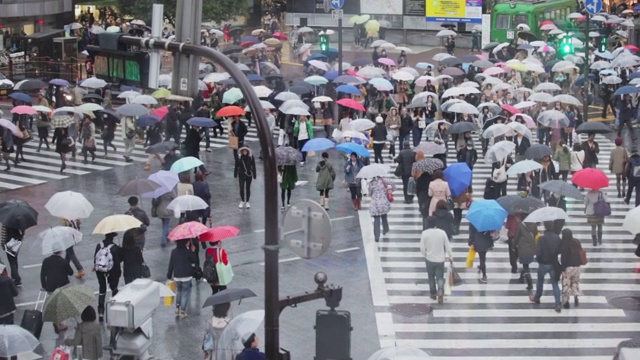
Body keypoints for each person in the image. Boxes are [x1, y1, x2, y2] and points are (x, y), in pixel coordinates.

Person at [530, 221, 562, 313]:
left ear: (545, 227)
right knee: (555, 284)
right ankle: (557, 303)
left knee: (540, 281)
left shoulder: (541, 238)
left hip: (543, 263)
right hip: (553, 263)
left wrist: (539, 260)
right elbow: (559, 250)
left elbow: (538, 252)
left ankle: (537, 297)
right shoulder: (557, 238)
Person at [420, 217, 453, 303]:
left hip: (429, 258)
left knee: (431, 277)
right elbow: (447, 246)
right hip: (440, 259)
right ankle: (440, 291)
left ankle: (433, 293)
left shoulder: (425, 233)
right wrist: (450, 256)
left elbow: (422, 248)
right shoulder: (442, 233)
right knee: (440, 277)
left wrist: (426, 254)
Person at [41, 250, 73, 331]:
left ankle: (57, 322)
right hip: (62, 286)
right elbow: (71, 272)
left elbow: (42, 274)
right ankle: (59, 324)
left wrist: (44, 286)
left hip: (51, 286)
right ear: (61, 251)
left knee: (54, 304)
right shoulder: (63, 261)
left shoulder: (46, 261)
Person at [167, 239, 199, 318]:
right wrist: (193, 251)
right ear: (185, 242)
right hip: (186, 276)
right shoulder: (188, 252)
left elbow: (171, 264)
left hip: (177, 275)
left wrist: (169, 275)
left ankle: (177, 307)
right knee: (185, 293)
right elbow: (195, 260)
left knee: (179, 291)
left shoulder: (174, 252)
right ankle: (183, 311)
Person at [94, 232, 121, 322]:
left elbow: (95, 259)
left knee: (102, 289)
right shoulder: (114, 247)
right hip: (112, 271)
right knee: (114, 289)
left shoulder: (99, 245)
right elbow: (117, 263)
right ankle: (114, 308)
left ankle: (101, 311)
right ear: (113, 237)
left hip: (100, 271)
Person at [559, 228, 583, 309]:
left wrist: (562, 269)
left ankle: (566, 302)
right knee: (575, 282)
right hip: (577, 266)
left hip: (568, 268)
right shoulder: (576, 241)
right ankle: (576, 294)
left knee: (566, 284)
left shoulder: (565, 244)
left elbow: (564, 259)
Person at [368, 176, 394, 242]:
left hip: (375, 203)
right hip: (383, 202)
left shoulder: (371, 183)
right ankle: (385, 229)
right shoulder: (384, 180)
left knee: (376, 219)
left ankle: (377, 236)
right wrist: (390, 190)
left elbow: (370, 193)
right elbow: (393, 184)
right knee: (384, 215)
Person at [513, 221, 537, 291]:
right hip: (532, 248)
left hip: (523, 248)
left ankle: (530, 283)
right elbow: (535, 234)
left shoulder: (520, 225)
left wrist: (514, 246)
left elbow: (516, 237)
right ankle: (521, 277)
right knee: (526, 264)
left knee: (525, 266)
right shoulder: (534, 224)